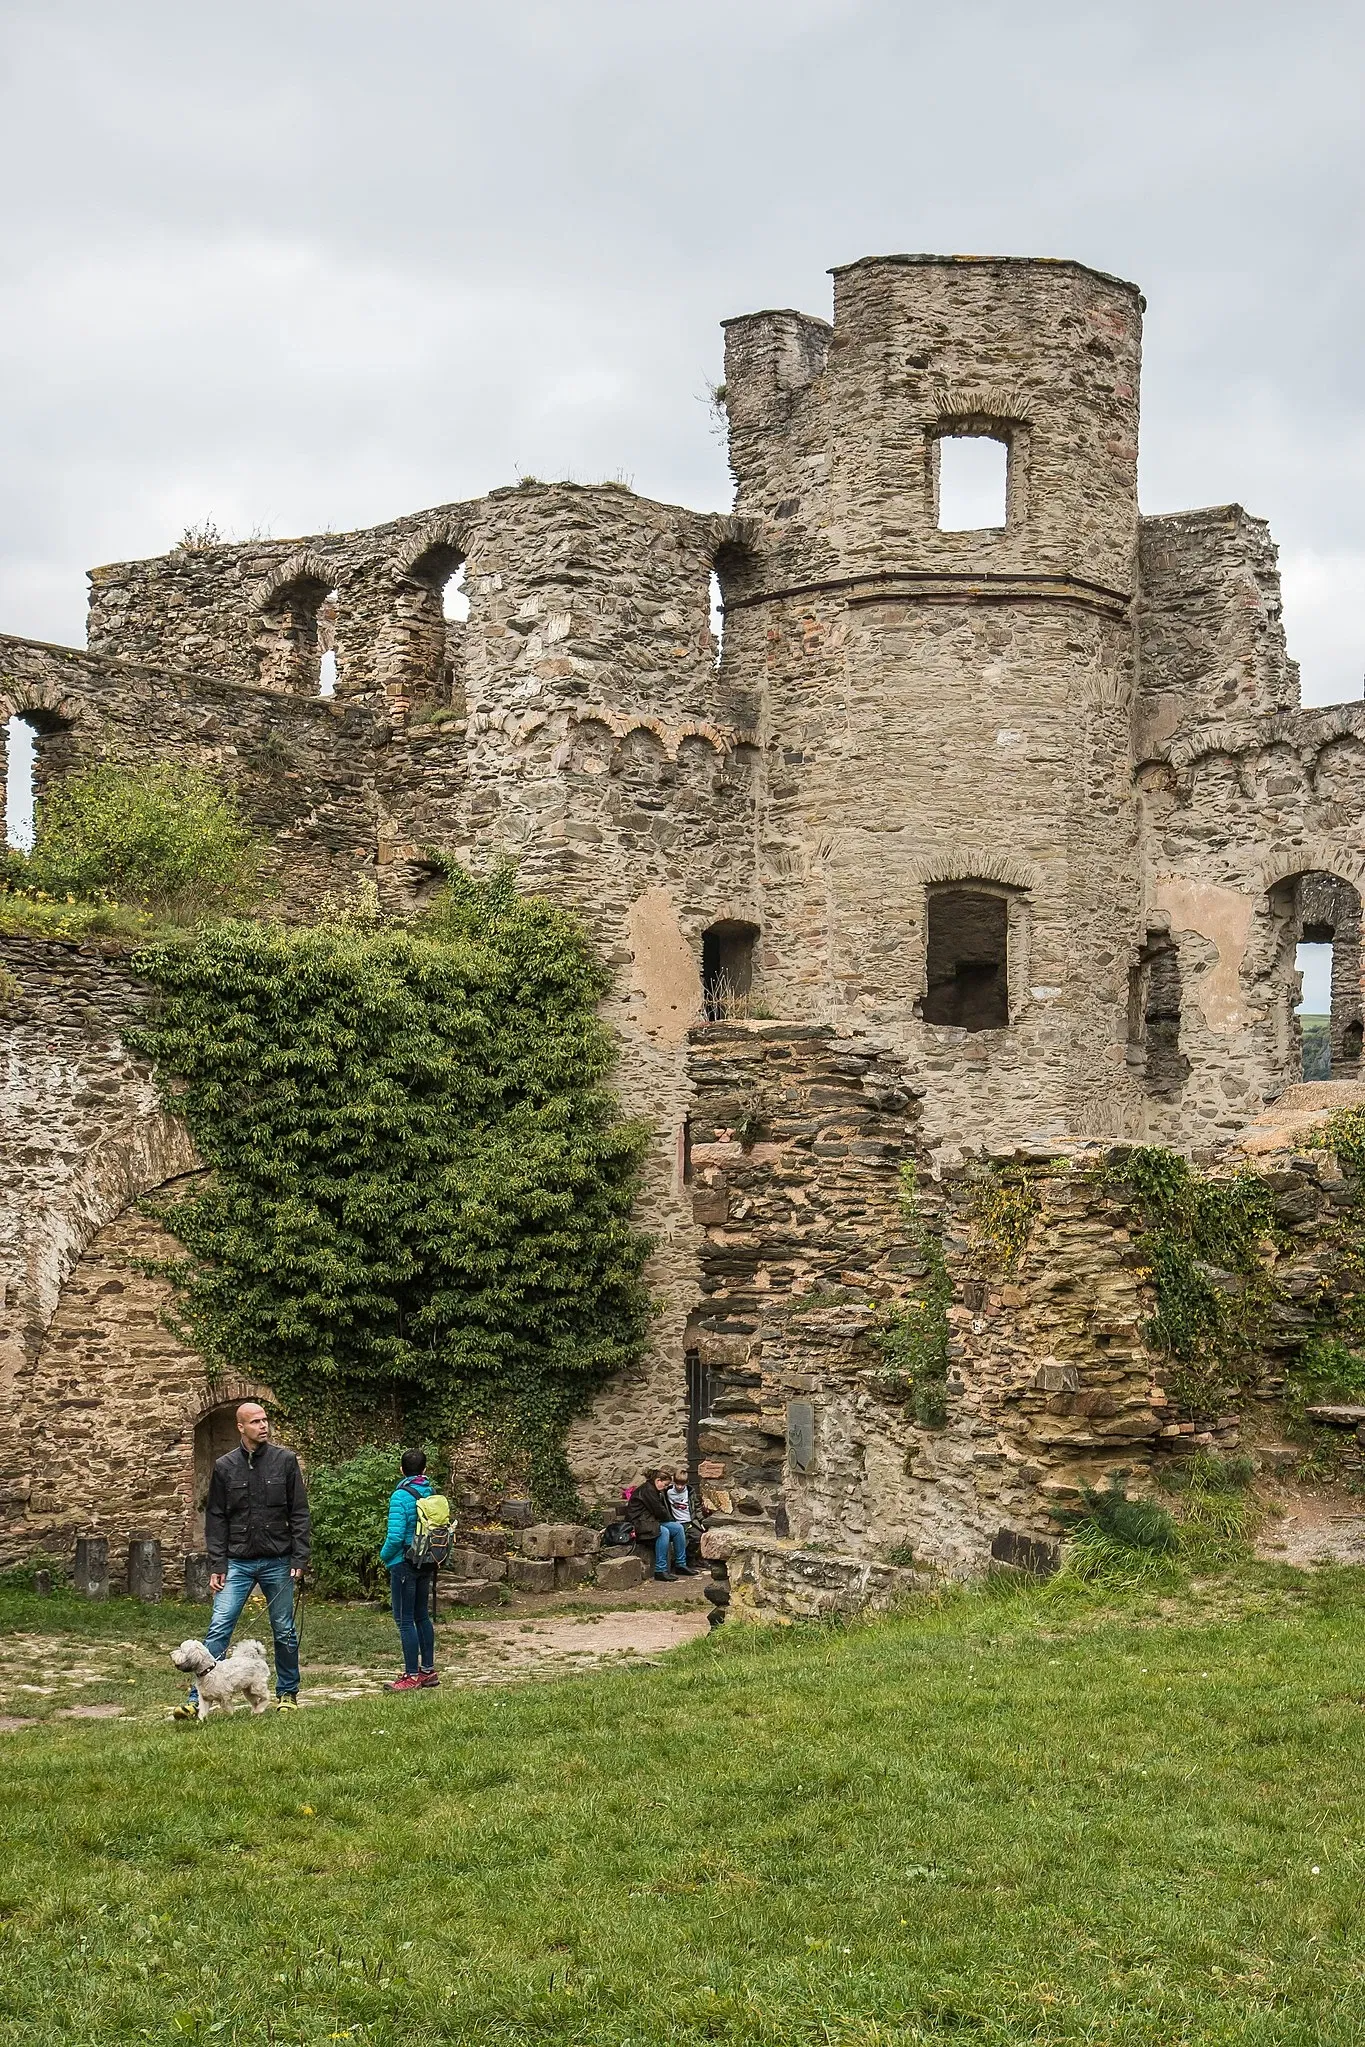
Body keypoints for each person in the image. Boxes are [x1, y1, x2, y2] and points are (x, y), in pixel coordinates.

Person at [176, 1401, 310, 1718]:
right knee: (220, 1627)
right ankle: (198, 1698)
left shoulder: (285, 1461)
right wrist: (217, 1564)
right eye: (255, 1422)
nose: (263, 1426)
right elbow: (217, 1518)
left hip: (279, 1559)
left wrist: (300, 1556)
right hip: (237, 1560)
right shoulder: (225, 1466)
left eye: (265, 1420)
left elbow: (300, 1513)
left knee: (284, 1629)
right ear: (241, 1427)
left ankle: (288, 1693)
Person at [379, 1448, 440, 1691]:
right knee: (421, 1616)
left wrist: (384, 1556)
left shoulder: (400, 1496)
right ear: (425, 1470)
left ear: (401, 1470)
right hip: (426, 1561)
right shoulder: (430, 1492)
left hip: (403, 1562)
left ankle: (411, 1675)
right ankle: (428, 1671)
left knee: (404, 1620)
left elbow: (394, 1537)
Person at [629, 1467, 697, 1582]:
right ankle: (660, 1570)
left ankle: (681, 1564)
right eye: (665, 1485)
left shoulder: (654, 1490)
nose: (665, 1488)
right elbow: (659, 1511)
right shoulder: (648, 1491)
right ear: (658, 1480)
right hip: (640, 1523)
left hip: (650, 1521)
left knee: (678, 1528)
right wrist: (669, 1519)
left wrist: (671, 1521)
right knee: (663, 1532)